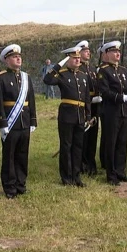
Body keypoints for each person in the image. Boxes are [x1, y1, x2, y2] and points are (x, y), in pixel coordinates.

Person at [43, 46, 91, 187]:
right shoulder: (62, 74)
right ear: (67, 59)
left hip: (80, 116)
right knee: (66, 146)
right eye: (74, 58)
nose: (77, 60)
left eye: (78, 58)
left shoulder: (83, 76)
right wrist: (58, 65)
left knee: (78, 147)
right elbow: (47, 79)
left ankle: (76, 177)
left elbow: (87, 97)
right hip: (67, 115)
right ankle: (66, 177)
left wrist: (88, 115)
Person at [0, 44, 37, 198]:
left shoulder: (26, 77)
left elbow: (31, 99)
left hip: (24, 121)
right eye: (14, 56)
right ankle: (9, 187)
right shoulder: (0, 77)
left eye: (19, 56)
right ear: (7, 60)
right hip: (10, 123)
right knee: (9, 155)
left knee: (22, 154)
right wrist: (2, 122)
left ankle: (21, 184)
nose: (18, 58)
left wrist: (33, 120)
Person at [97, 41, 127, 185]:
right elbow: (105, 92)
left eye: (118, 51)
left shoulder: (123, 70)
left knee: (122, 143)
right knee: (111, 143)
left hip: (124, 111)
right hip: (111, 111)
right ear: (106, 54)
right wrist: (122, 97)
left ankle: (121, 171)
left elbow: (126, 88)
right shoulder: (103, 71)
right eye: (114, 51)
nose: (117, 54)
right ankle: (111, 174)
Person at [76, 40, 102, 177]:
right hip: (83, 105)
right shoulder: (78, 69)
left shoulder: (92, 69)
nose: (88, 52)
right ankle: (81, 164)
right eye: (85, 50)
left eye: (88, 50)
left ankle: (91, 163)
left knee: (93, 136)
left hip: (95, 106)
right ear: (78, 53)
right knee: (83, 137)